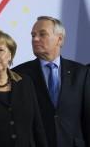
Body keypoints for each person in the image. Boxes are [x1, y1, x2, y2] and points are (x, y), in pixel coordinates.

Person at [13, 16, 90, 147]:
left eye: (42, 34)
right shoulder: (19, 74)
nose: (35, 39)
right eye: (33, 35)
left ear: (59, 39)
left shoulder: (81, 72)